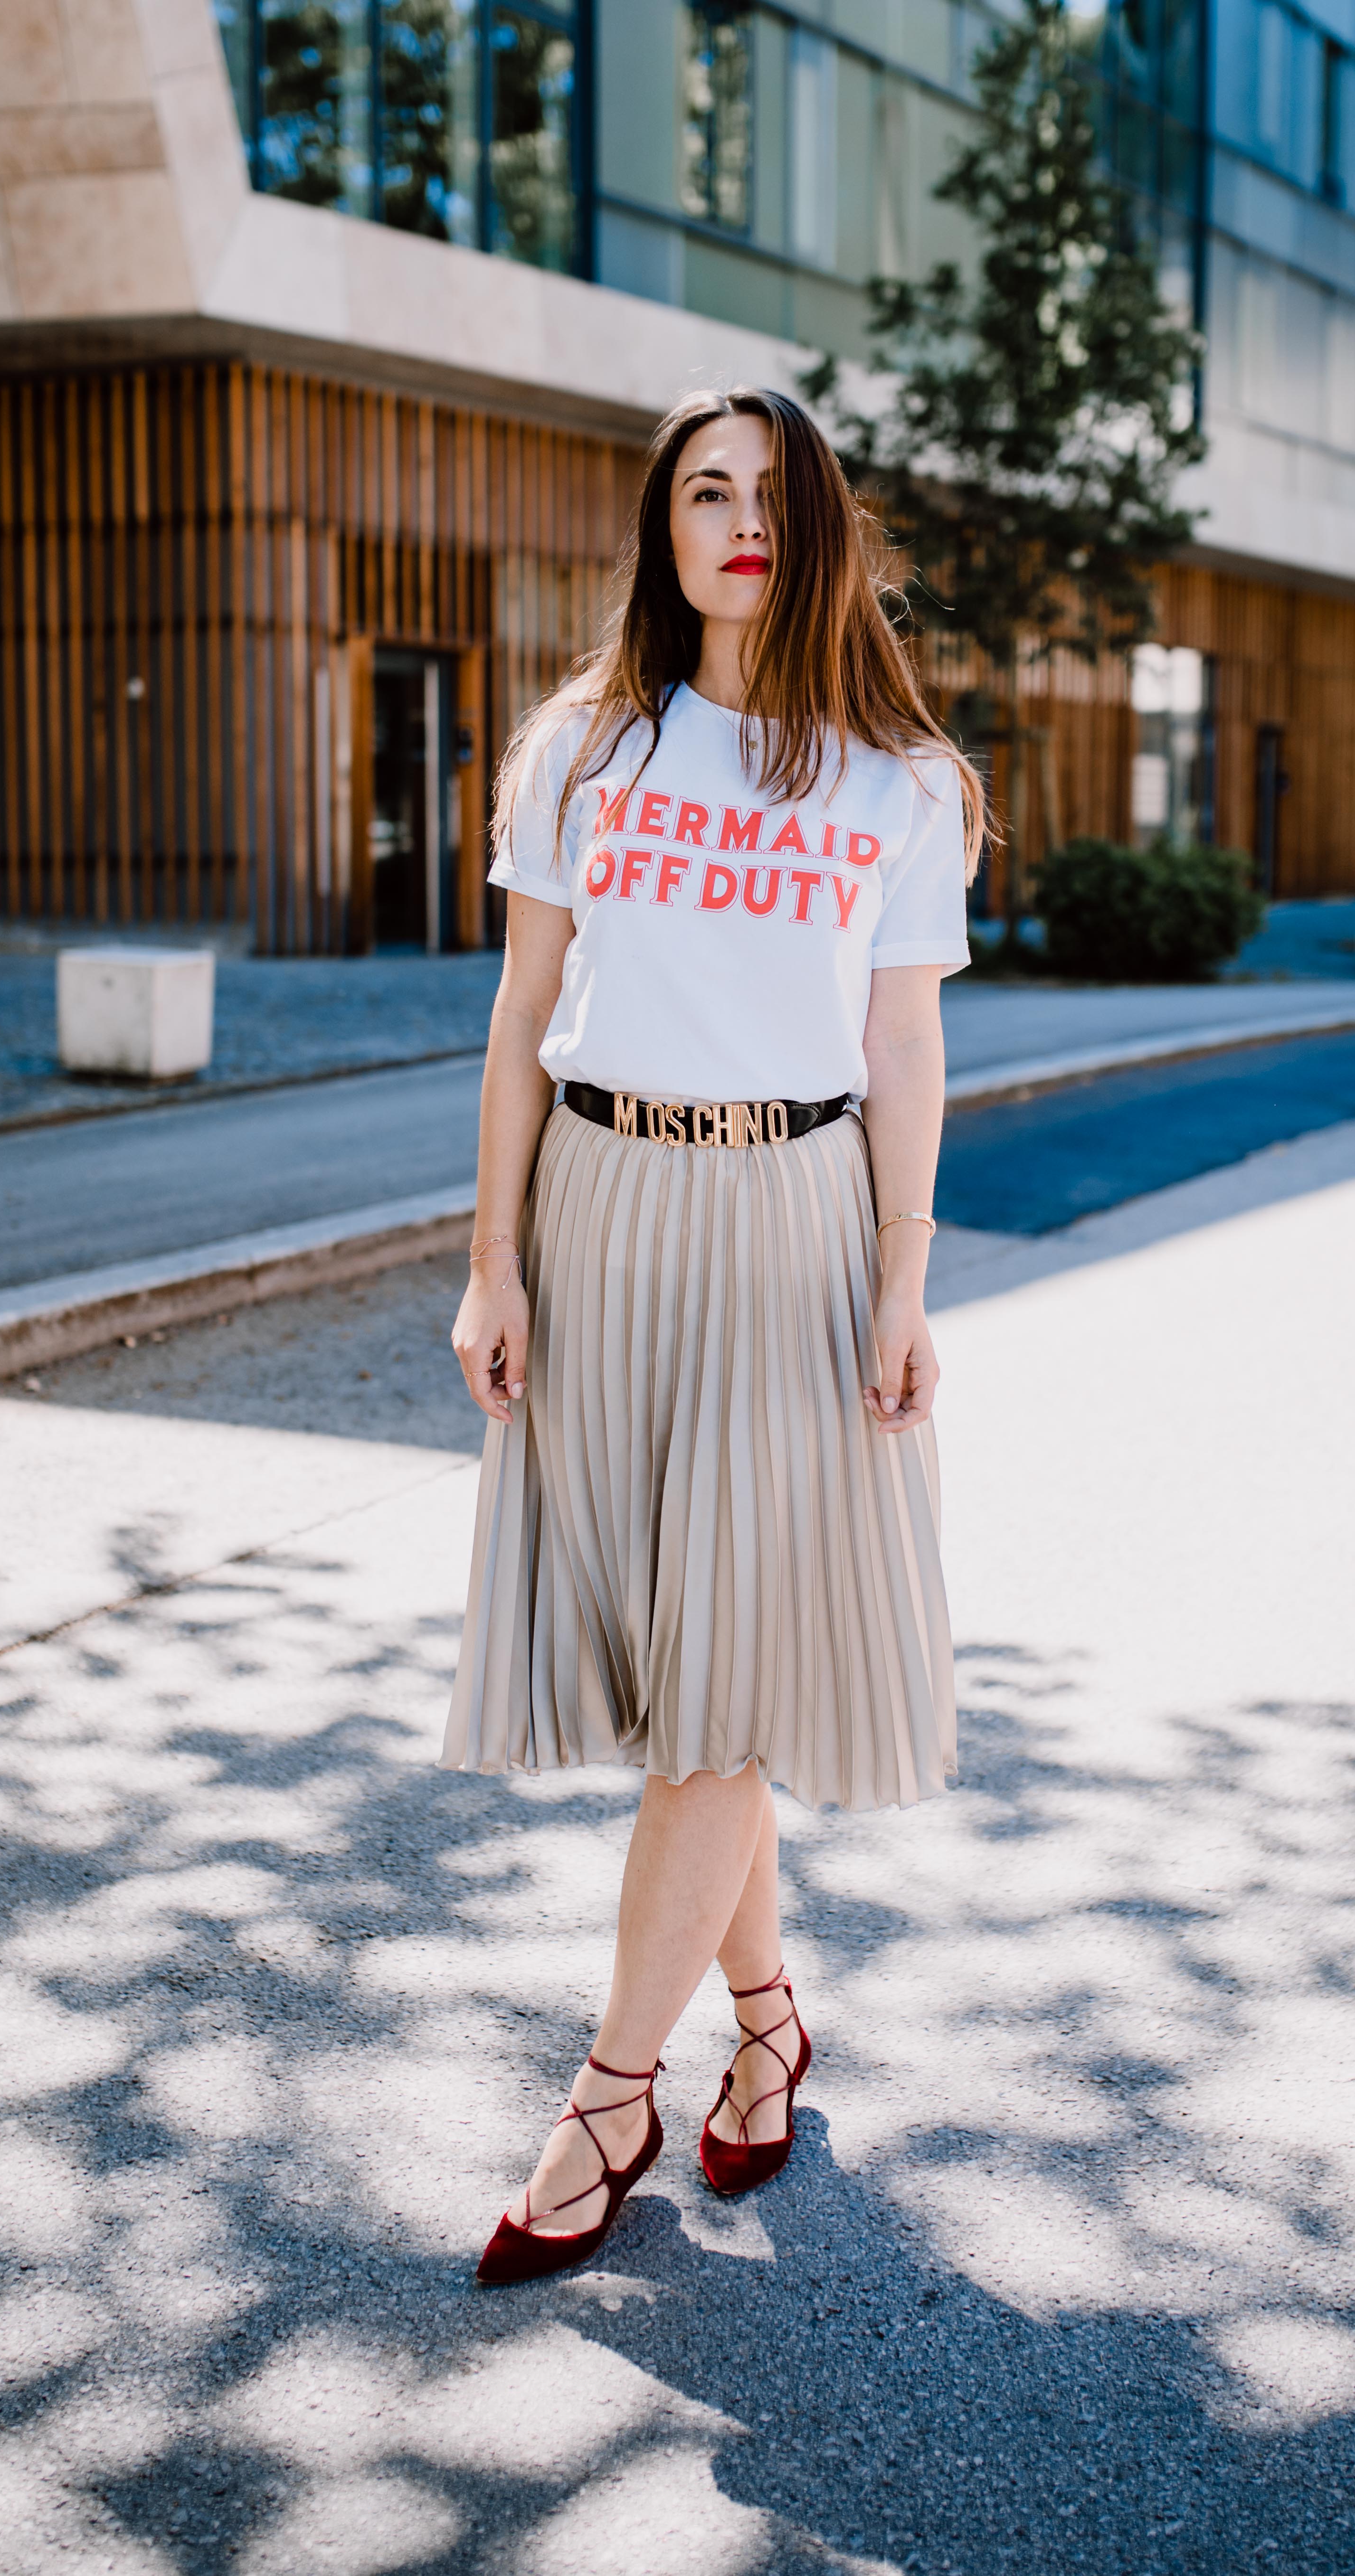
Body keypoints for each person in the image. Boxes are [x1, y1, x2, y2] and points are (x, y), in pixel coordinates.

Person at [441, 385, 984, 2287]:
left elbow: (903, 1043)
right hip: (601, 1211)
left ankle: (608, 2093)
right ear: (661, 529)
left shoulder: (895, 779)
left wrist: (904, 1277)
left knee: (726, 1674)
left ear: (816, 522)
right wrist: (492, 1259)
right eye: (702, 491)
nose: (736, 519)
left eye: (768, 491)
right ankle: (763, 2020)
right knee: (690, 1679)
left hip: (791, 1228)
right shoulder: (584, 747)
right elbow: (521, 1013)